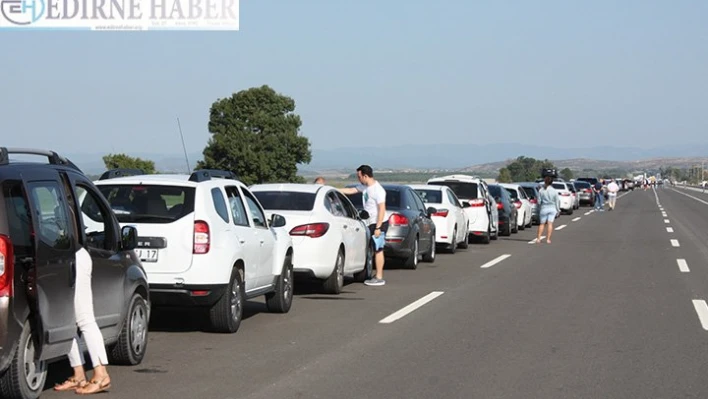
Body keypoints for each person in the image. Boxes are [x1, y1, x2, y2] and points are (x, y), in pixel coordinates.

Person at [54, 186, 112, 394]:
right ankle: (79, 374)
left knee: (85, 318)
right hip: (65, 259)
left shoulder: (66, 208)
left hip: (75, 259)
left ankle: (101, 373)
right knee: (67, 318)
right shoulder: (62, 205)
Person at [339, 165, 387, 286]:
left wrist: (378, 227)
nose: (358, 178)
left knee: (378, 249)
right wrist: (334, 189)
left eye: (359, 176)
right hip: (369, 222)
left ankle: (379, 276)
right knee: (371, 248)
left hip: (378, 222)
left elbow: (382, 209)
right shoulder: (365, 187)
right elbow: (351, 191)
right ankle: (373, 274)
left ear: (365, 176)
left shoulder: (378, 190)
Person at [534, 172, 561, 244]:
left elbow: (539, 201)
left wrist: (539, 208)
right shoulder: (554, 191)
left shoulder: (541, 190)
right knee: (550, 223)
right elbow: (557, 201)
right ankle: (548, 239)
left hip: (544, 208)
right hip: (552, 209)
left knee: (542, 224)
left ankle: (538, 238)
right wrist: (558, 210)